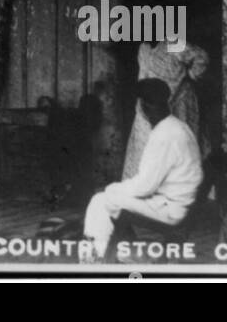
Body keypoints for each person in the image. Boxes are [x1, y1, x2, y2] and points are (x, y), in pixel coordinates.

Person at [83, 78, 203, 261]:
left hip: (171, 209)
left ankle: (92, 263)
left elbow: (144, 186)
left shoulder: (164, 135)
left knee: (101, 201)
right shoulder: (179, 126)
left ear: (143, 106)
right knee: (108, 200)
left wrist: (112, 188)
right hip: (180, 201)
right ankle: (129, 256)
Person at [121, 39, 209, 178]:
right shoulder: (144, 48)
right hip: (151, 104)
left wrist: (189, 76)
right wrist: (142, 104)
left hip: (178, 105)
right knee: (145, 149)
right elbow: (142, 77)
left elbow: (201, 59)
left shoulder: (173, 43)